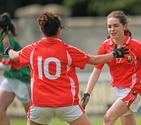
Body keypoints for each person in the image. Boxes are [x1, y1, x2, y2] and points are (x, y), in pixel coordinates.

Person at [1, 12, 129, 125]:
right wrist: (114, 54)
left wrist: (8, 49)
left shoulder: (32, 49)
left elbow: (14, 56)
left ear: (42, 30)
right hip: (67, 104)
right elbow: (94, 59)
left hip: (40, 104)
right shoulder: (68, 50)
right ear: (59, 30)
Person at [81, 10, 141, 125]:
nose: (112, 29)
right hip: (117, 91)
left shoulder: (137, 46)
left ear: (125, 26)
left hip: (133, 90)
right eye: (109, 26)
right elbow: (96, 70)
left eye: (116, 26)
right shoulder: (105, 46)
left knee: (108, 118)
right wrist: (87, 93)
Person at [0, 13, 31, 125]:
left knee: (31, 114)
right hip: (9, 78)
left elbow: (7, 65)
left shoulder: (6, 40)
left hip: (20, 78)